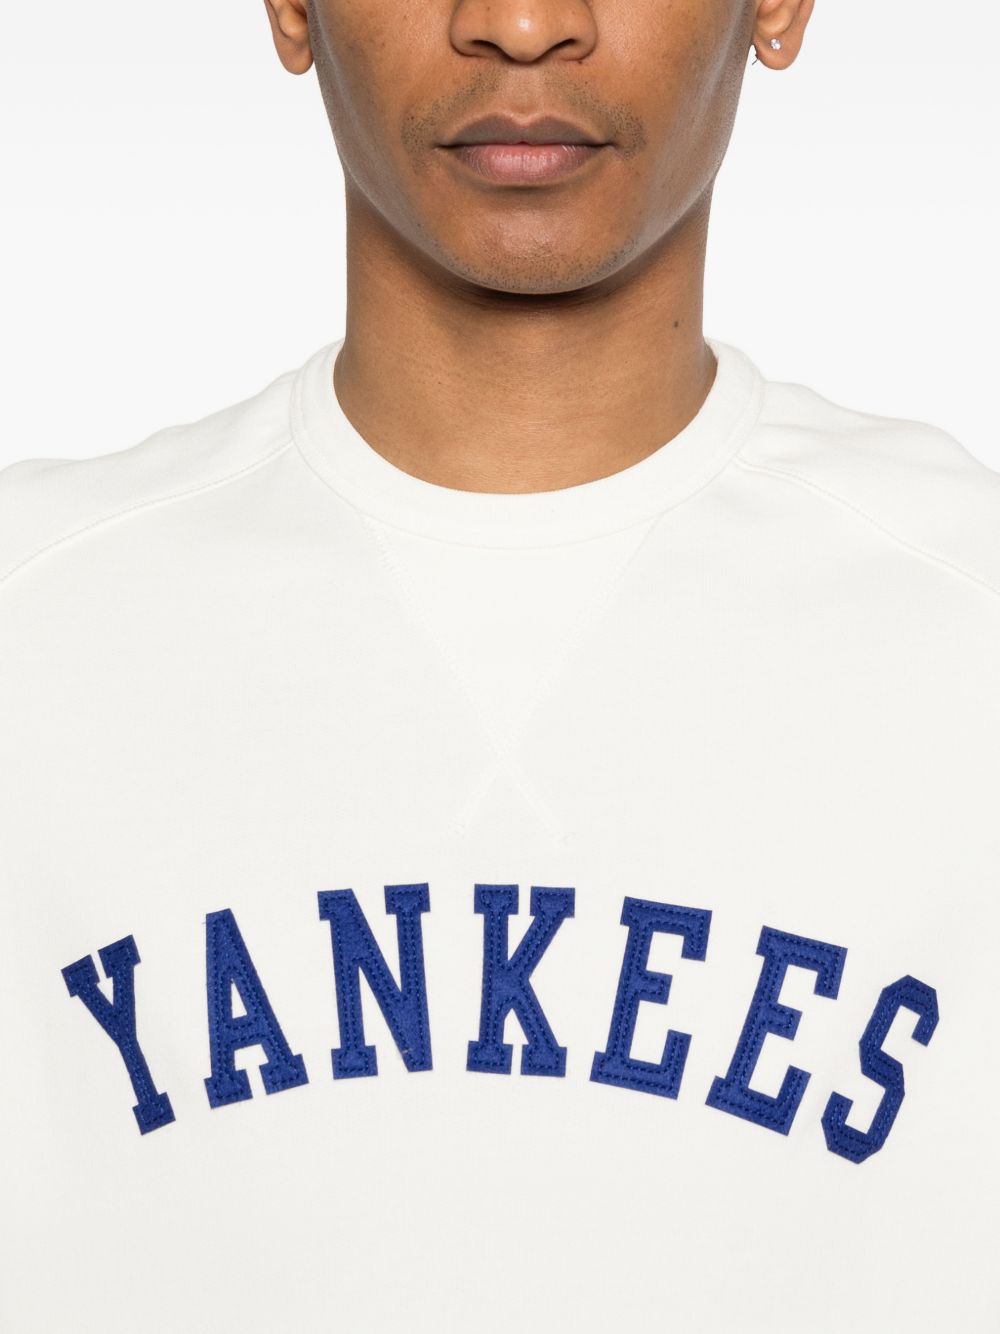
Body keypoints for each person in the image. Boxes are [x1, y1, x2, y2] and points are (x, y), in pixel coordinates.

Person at [1, 0, 997, 1330]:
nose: (523, 26)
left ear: (778, 7)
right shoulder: (34, 630)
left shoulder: (969, 630)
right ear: (290, 8)